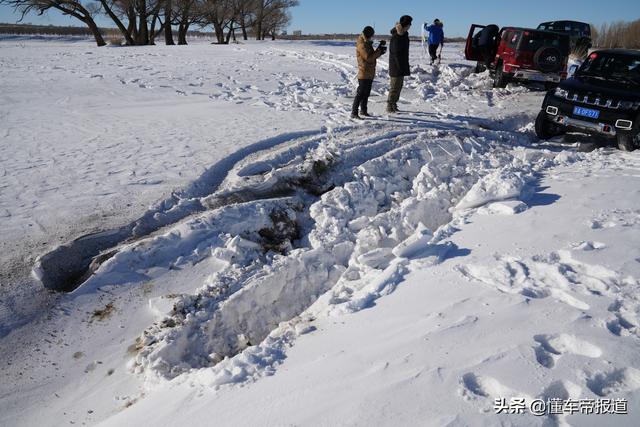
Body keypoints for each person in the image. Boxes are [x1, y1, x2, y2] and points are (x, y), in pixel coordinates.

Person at [351, 26, 386, 119]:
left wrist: (380, 48)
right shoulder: (362, 44)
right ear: (368, 35)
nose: (372, 37)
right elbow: (369, 58)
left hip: (369, 72)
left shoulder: (367, 43)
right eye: (372, 35)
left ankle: (363, 110)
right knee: (360, 93)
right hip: (364, 72)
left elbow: (371, 56)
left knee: (366, 93)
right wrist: (379, 52)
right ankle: (354, 113)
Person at [387, 15, 412, 113]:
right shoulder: (397, 37)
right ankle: (389, 105)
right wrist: (400, 66)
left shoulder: (404, 35)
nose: (410, 26)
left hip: (401, 65)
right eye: (409, 24)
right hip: (396, 66)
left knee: (399, 86)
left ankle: (394, 103)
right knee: (394, 87)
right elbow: (395, 53)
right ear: (405, 25)